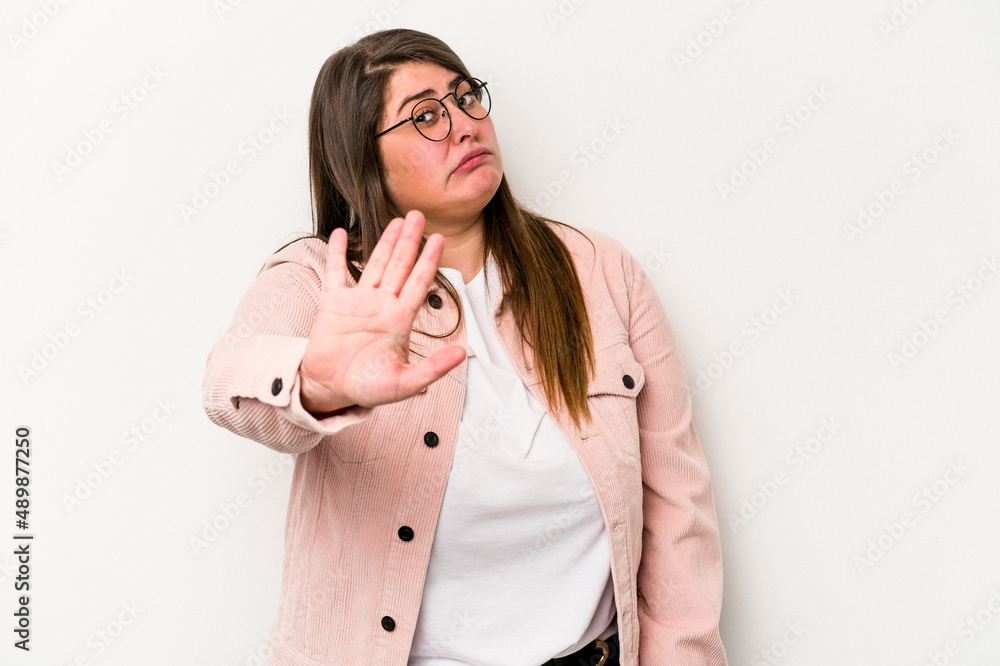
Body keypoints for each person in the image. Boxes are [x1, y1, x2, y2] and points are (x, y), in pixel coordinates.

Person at [202, 28, 727, 666]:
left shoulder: (599, 270)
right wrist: (316, 383)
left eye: (465, 97)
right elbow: (228, 383)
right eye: (425, 115)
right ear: (363, 160)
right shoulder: (321, 279)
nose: (464, 125)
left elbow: (677, 504)